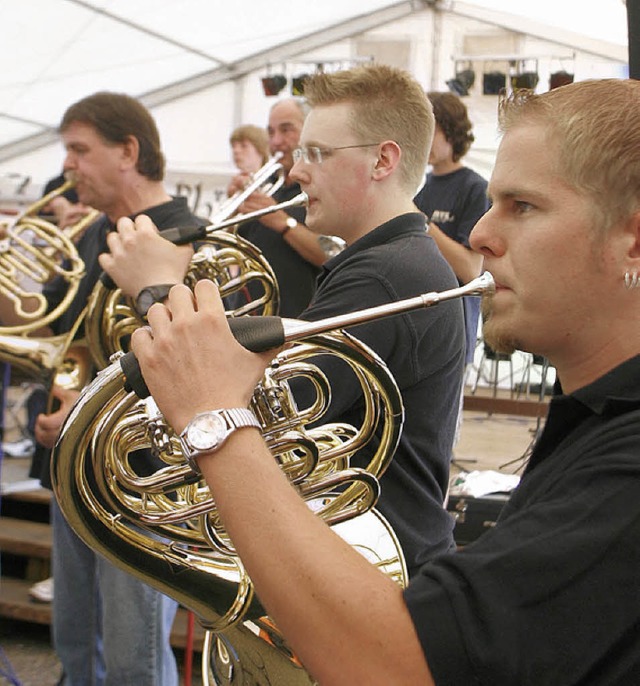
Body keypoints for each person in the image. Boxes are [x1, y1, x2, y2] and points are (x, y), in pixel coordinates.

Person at [131, 76, 640, 685]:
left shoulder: (627, 461)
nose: (479, 234)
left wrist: (212, 410)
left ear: (633, 244)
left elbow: (401, 667)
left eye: (522, 206)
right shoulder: (599, 418)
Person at [110, 64, 465, 578]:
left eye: (317, 154)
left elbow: (246, 415)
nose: (298, 172)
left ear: (383, 160)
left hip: (375, 570)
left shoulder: (386, 276)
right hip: (362, 560)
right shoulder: (387, 263)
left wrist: (159, 290)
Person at [27, 91, 204, 686]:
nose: (68, 165)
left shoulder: (188, 237)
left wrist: (87, 413)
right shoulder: (89, 235)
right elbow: (55, 332)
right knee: (74, 643)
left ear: (128, 150)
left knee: (134, 659)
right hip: (74, 468)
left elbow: (197, 367)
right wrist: (65, 412)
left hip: (141, 479)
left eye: (80, 149)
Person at [229, 98, 327, 317]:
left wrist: (283, 223)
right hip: (250, 317)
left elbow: (332, 255)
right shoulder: (267, 185)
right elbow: (231, 248)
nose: (276, 142)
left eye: (286, 130)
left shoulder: (324, 188)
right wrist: (235, 208)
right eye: (271, 132)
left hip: (296, 323)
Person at [413, 91, 488, 367]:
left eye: (431, 130)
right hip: (420, 325)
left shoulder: (475, 188)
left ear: (453, 133)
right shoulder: (421, 187)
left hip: (454, 330)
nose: (424, 139)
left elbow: (470, 268)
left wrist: (421, 222)